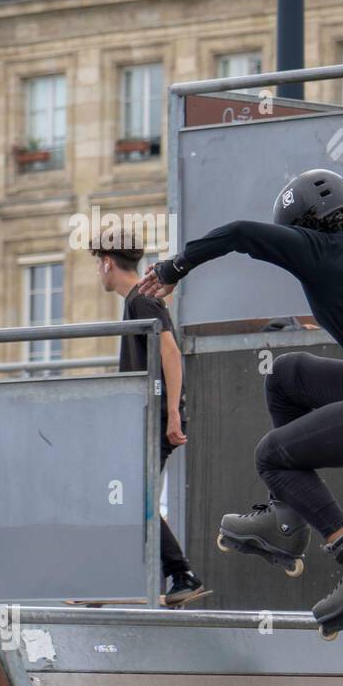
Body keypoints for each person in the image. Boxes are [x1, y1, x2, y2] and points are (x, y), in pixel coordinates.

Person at [135, 171, 343, 636]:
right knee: (288, 376)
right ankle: (286, 518)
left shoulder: (315, 247)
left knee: (271, 455)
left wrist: (175, 268)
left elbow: (239, 234)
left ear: (301, 223)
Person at [91, 233, 204, 605]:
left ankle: (179, 574)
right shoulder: (138, 299)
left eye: (98, 264)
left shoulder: (141, 299)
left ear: (107, 262)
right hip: (149, 418)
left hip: (156, 418)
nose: (98, 273)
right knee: (129, 499)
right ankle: (157, 576)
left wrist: (173, 412)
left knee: (132, 501)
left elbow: (170, 352)